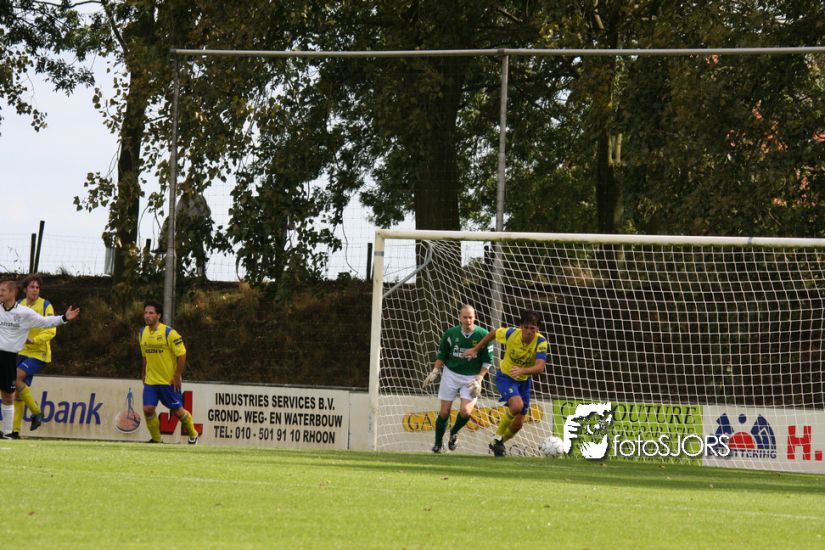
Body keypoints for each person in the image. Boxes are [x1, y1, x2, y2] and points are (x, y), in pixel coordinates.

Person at [0, 280, 80, 439]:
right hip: (10, 354)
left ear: (12, 293)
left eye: (3, 290)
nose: (0, 293)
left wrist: (64, 318)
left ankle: (8, 432)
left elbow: (45, 322)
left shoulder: (25, 313)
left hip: (12, 357)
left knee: (8, 395)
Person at [464, 310, 548, 457]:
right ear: (520, 326)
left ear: (537, 329)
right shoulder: (511, 333)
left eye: (533, 328)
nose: (529, 331)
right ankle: (497, 436)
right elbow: (493, 333)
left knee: (518, 424)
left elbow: (540, 367)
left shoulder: (541, 342)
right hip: (506, 377)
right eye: (526, 327)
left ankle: (498, 443)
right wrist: (476, 349)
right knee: (517, 406)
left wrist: (523, 371)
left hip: (524, 381)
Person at [422, 304, 493, 453]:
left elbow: (487, 362)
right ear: (460, 317)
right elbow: (442, 354)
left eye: (470, 317)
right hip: (451, 374)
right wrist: (435, 371)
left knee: (466, 412)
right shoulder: (450, 333)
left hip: (471, 377)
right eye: (465, 317)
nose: (468, 320)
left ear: (475, 317)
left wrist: (479, 379)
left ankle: (454, 432)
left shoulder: (483, 335)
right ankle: (437, 444)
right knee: (444, 412)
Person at [139, 300, 199, 444]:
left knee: (178, 411)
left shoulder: (169, 333)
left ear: (158, 315)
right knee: (148, 409)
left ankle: (193, 435)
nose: (147, 316)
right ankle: (156, 440)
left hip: (168, 381)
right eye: (146, 313)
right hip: (151, 381)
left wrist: (177, 375)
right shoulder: (142, 333)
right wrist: (143, 373)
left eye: (151, 313)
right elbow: (145, 356)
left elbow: (182, 354)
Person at [12, 275, 57, 438]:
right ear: (25, 289)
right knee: (18, 390)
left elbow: (51, 329)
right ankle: (15, 432)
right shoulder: (19, 305)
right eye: (32, 287)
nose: (35, 290)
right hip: (21, 351)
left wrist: (35, 340)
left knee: (15, 378)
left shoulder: (45, 305)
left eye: (37, 287)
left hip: (39, 353)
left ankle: (37, 412)